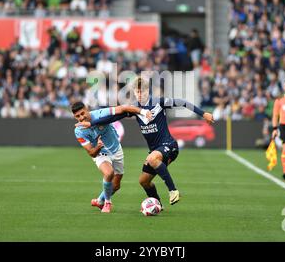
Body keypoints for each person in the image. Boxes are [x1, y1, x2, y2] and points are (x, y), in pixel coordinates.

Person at [78, 77, 215, 208]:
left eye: (141, 91)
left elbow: (182, 102)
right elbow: (112, 118)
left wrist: (203, 114)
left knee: (152, 158)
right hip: (155, 149)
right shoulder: (135, 109)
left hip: (169, 145)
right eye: (136, 92)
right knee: (143, 181)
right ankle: (158, 205)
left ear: (147, 91)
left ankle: (173, 190)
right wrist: (91, 123)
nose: (139, 94)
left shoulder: (159, 102)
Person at [72, 102, 151, 213]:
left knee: (116, 185)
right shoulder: (78, 131)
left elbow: (123, 108)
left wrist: (143, 111)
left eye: (82, 113)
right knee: (109, 173)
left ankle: (99, 200)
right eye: (77, 116)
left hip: (116, 149)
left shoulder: (100, 114)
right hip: (100, 153)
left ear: (87, 109)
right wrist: (98, 147)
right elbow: (91, 153)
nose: (81, 117)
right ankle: (107, 203)